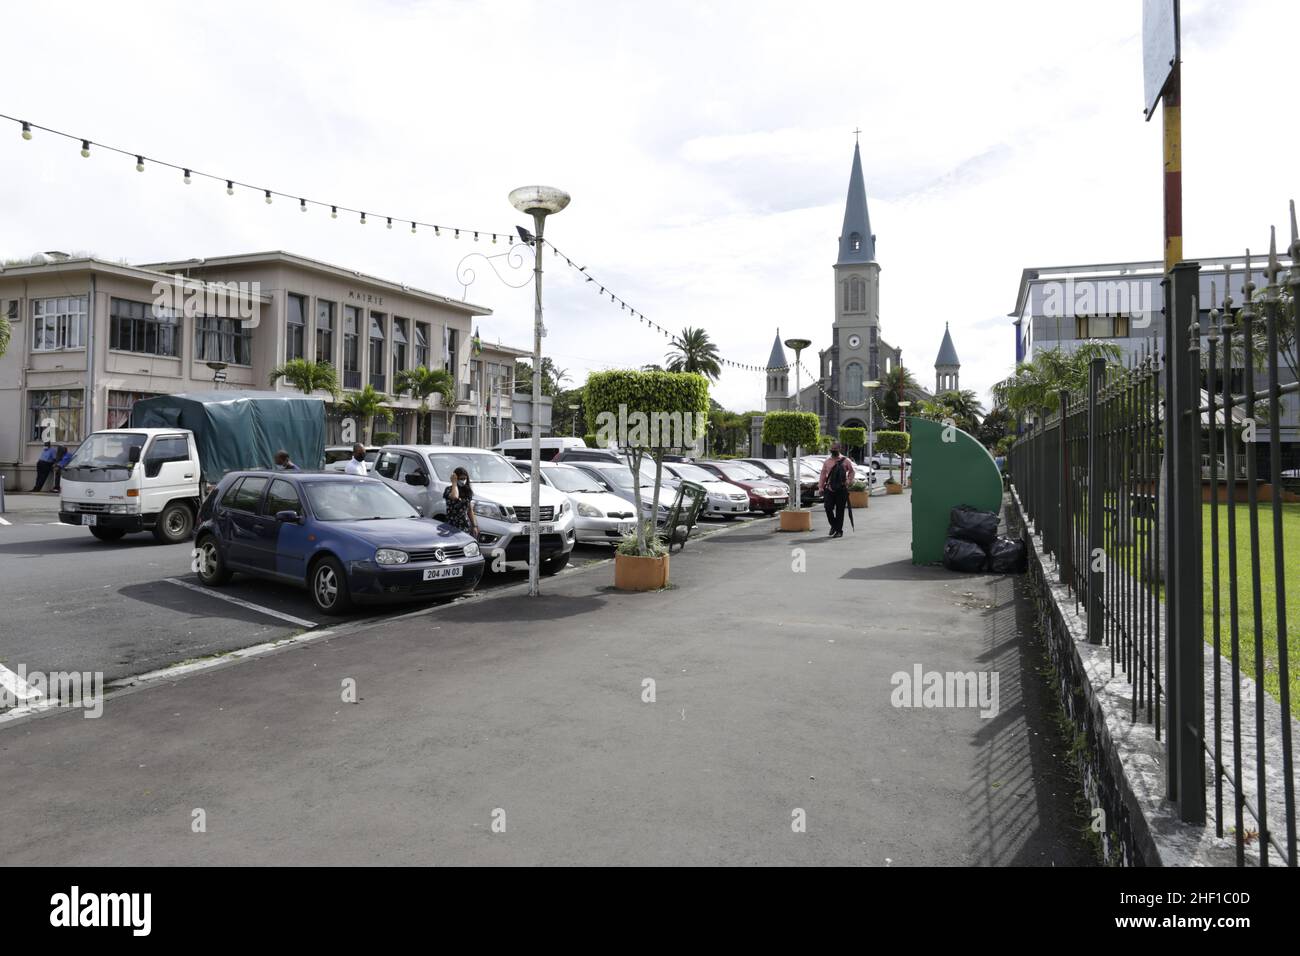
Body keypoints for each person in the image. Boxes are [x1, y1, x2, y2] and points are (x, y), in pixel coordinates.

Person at [818, 442, 855, 538]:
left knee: (840, 511)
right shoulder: (827, 461)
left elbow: (852, 471)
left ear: (839, 449)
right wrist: (821, 487)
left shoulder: (846, 461)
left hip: (841, 489)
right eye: (832, 448)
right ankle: (834, 526)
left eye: (835, 448)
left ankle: (839, 531)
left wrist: (848, 481)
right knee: (828, 507)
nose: (833, 450)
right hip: (829, 489)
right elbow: (823, 475)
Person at [442, 466, 479, 537]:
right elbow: (455, 497)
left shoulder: (467, 491)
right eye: (461, 478)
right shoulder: (449, 490)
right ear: (456, 479)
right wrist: (454, 483)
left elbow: (470, 510)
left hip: (464, 526)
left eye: (465, 478)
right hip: (451, 525)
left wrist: (474, 526)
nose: (463, 481)